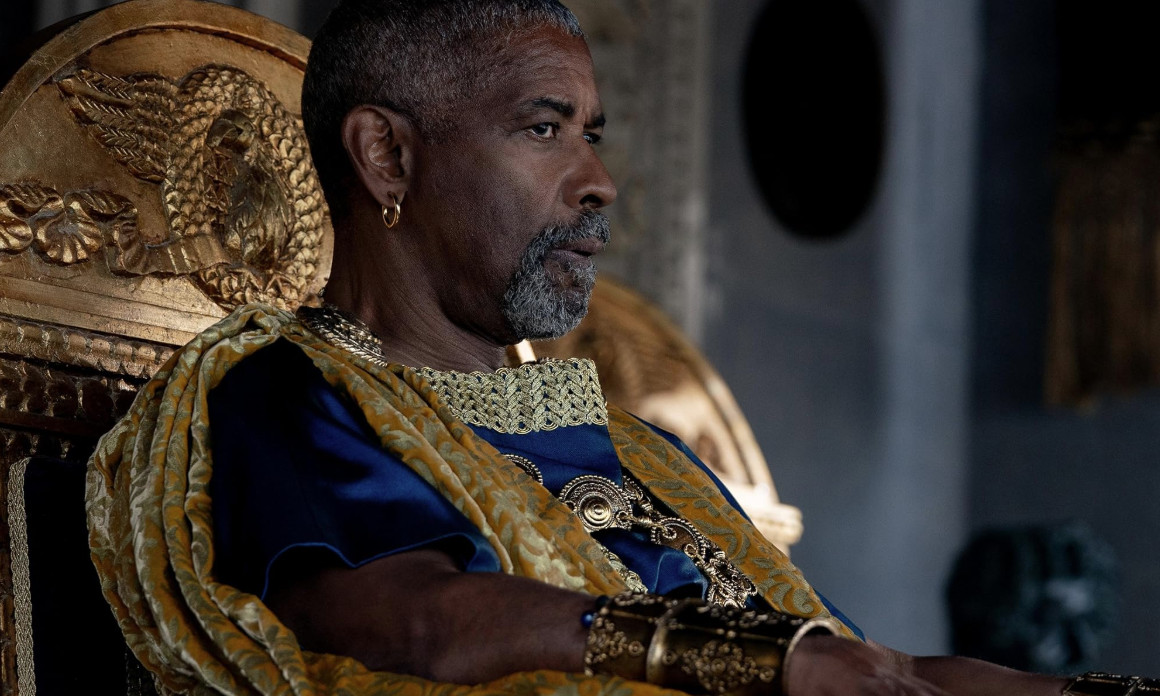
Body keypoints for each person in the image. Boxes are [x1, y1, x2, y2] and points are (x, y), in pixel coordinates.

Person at [84, 2, 1146, 695]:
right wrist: (756, 665)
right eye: (543, 129)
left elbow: (871, 670)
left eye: (591, 134)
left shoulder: (644, 454)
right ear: (386, 156)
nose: (597, 182)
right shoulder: (287, 393)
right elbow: (412, 627)